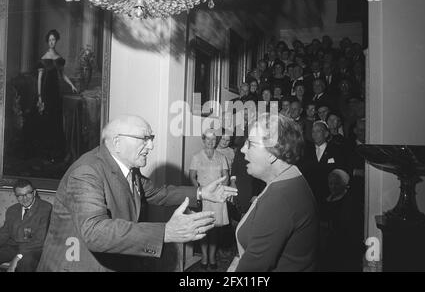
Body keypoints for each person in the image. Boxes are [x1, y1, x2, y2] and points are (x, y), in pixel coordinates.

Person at [37, 115, 237, 272]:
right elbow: (94, 232)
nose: (150, 146)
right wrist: (165, 232)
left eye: (151, 139)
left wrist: (201, 192)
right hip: (77, 266)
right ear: (117, 143)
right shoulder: (87, 172)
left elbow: (158, 193)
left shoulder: (128, 168)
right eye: (145, 138)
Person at [228, 113, 318, 272]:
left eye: (250, 144)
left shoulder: (280, 199)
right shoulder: (291, 177)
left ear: (271, 153)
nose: (242, 149)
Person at [190, 129, 230, 270]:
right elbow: (192, 177)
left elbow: (226, 177)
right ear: (203, 140)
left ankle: (212, 258)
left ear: (216, 141)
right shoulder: (196, 157)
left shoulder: (221, 157)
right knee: (204, 229)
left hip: (217, 198)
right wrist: (199, 192)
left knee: (214, 229)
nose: (211, 142)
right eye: (208, 139)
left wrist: (222, 191)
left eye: (214, 140)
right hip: (203, 197)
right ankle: (204, 257)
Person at [36, 29, 78, 162]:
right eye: (49, 40)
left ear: (56, 40)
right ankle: (47, 153)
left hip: (56, 93)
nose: (51, 42)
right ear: (47, 41)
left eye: (53, 39)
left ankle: (57, 153)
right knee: (48, 122)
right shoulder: (43, 59)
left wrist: (71, 84)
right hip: (46, 93)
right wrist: (39, 97)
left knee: (56, 121)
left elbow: (62, 75)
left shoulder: (59, 59)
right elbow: (39, 79)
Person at [0, 179, 52, 272]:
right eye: (20, 195)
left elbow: (40, 241)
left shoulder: (46, 208)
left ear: (34, 192)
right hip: (13, 246)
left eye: (28, 193)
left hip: (35, 249)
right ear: (16, 196)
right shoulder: (12, 210)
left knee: (25, 262)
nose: (25, 198)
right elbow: (4, 233)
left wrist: (17, 257)